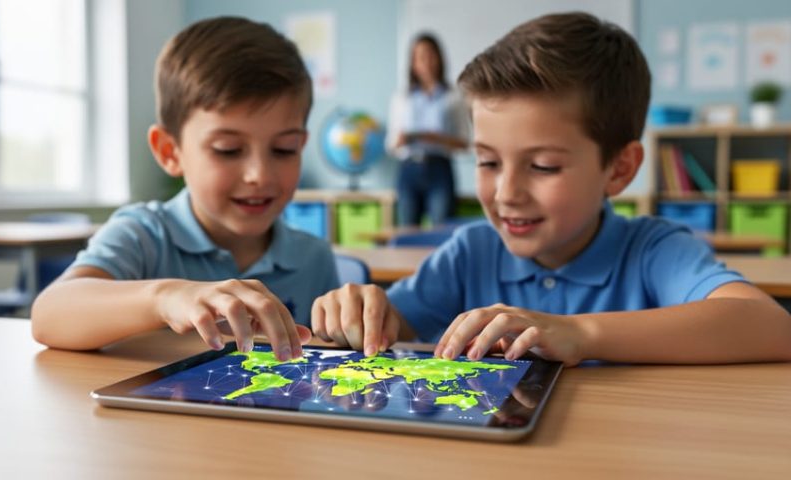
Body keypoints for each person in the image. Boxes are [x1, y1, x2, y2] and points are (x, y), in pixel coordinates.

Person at [312, 12, 791, 365]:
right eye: (487, 161)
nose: (506, 193)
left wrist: (579, 332)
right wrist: (360, 312)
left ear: (619, 169)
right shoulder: (471, 252)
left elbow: (773, 327)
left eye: (542, 166)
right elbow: (393, 323)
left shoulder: (652, 251)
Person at [32, 17, 339, 361]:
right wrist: (166, 298)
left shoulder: (313, 258)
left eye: (284, 149)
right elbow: (49, 314)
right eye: (227, 149)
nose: (259, 175)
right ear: (169, 151)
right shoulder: (144, 235)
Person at [386, 33, 469, 227]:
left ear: (440, 59)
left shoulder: (454, 98)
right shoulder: (402, 98)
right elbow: (391, 145)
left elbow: (465, 142)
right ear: (412, 63)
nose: (426, 62)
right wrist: (400, 140)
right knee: (408, 230)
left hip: (439, 168)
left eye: (431, 55)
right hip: (409, 168)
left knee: (441, 229)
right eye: (420, 57)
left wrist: (437, 138)